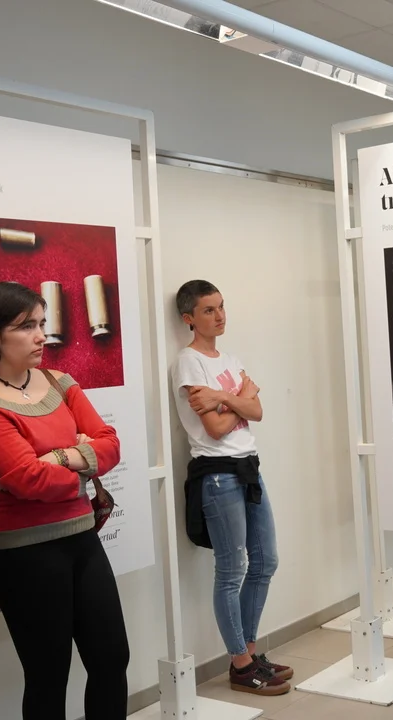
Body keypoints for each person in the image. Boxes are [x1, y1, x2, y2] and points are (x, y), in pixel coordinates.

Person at [0, 282, 129, 719]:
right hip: (23, 552)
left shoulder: (59, 381)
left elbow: (110, 445)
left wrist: (59, 458)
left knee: (112, 658)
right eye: (26, 327)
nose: (41, 337)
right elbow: (26, 479)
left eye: (42, 324)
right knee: (49, 675)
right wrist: (81, 460)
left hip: (81, 538)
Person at [171, 280, 290, 696]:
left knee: (266, 561)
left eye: (221, 307)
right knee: (232, 569)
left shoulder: (229, 359)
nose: (220, 316)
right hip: (218, 474)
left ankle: (250, 653)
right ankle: (240, 665)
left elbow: (257, 410)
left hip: (248, 468)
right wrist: (240, 396)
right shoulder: (188, 363)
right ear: (188, 318)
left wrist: (224, 396)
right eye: (209, 310)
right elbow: (218, 428)